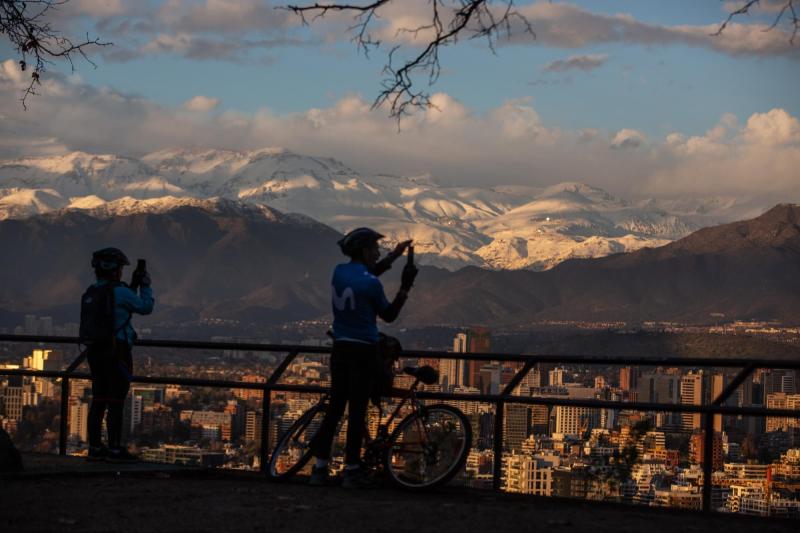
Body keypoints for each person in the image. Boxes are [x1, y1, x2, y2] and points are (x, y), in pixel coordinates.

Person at [309, 229, 417, 488]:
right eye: (374, 249)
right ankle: (352, 470)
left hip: (341, 348)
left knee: (335, 408)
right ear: (365, 251)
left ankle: (319, 469)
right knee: (357, 411)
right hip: (364, 351)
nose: (377, 253)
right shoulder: (371, 284)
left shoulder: (339, 272)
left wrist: (394, 255)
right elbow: (389, 315)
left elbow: (366, 276)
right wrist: (405, 286)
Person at [80, 247, 154, 462]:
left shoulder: (92, 291)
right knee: (116, 401)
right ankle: (114, 449)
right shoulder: (120, 291)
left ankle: (95, 447)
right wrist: (145, 285)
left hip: (95, 351)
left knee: (99, 400)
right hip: (117, 351)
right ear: (116, 269)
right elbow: (145, 307)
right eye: (121, 267)